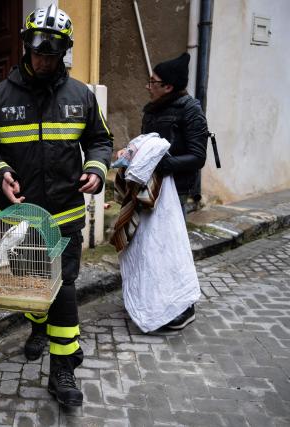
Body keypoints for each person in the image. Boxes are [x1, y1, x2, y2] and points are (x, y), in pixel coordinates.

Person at [0, 5, 113, 407]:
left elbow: (101, 140)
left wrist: (97, 169)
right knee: (33, 287)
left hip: (65, 218)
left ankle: (63, 369)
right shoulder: (0, 96)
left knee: (63, 289)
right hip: (22, 218)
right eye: (38, 52)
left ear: (63, 51)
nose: (44, 60)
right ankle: (37, 329)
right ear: (26, 48)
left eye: (52, 53)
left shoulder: (80, 95)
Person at [142, 52, 208, 330]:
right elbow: (147, 143)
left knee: (174, 250)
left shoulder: (190, 110)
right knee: (154, 248)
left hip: (176, 191)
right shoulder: (152, 109)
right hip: (152, 188)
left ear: (168, 86)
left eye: (153, 81)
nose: (148, 85)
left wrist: (164, 164)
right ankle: (160, 301)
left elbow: (197, 156)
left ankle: (185, 307)